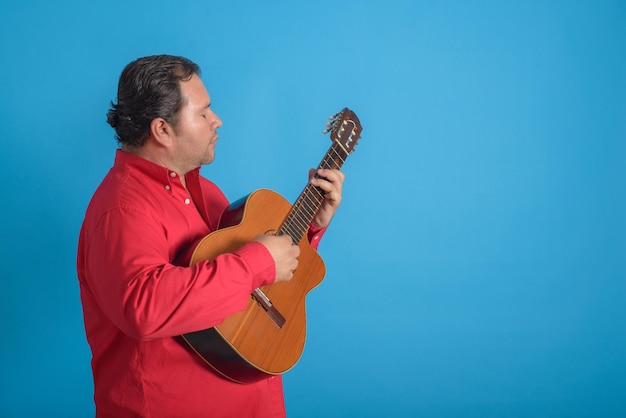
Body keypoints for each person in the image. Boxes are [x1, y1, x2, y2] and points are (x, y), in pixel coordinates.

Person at [76, 54, 345, 417]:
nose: (216, 120)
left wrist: (310, 226)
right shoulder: (122, 211)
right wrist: (256, 262)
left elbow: (260, 284)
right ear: (162, 130)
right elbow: (144, 306)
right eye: (203, 113)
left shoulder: (208, 193)